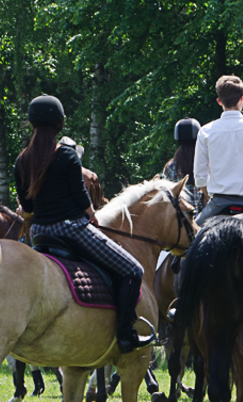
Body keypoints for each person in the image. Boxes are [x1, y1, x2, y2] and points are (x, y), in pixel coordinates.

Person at [14, 95, 149, 353]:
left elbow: (28, 207)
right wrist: (92, 214)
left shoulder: (22, 160)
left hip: (40, 234)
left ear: (32, 123)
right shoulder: (66, 156)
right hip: (72, 230)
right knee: (133, 270)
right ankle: (124, 334)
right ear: (59, 124)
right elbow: (80, 196)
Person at [192, 75, 243, 224]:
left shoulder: (206, 131)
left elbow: (200, 176)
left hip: (219, 203)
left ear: (219, 101)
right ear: (242, 99)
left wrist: (209, 194)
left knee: (190, 240)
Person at [161, 118, 205, 213]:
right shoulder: (205, 163)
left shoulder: (170, 167)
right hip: (205, 218)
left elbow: (166, 198)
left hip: (180, 220)